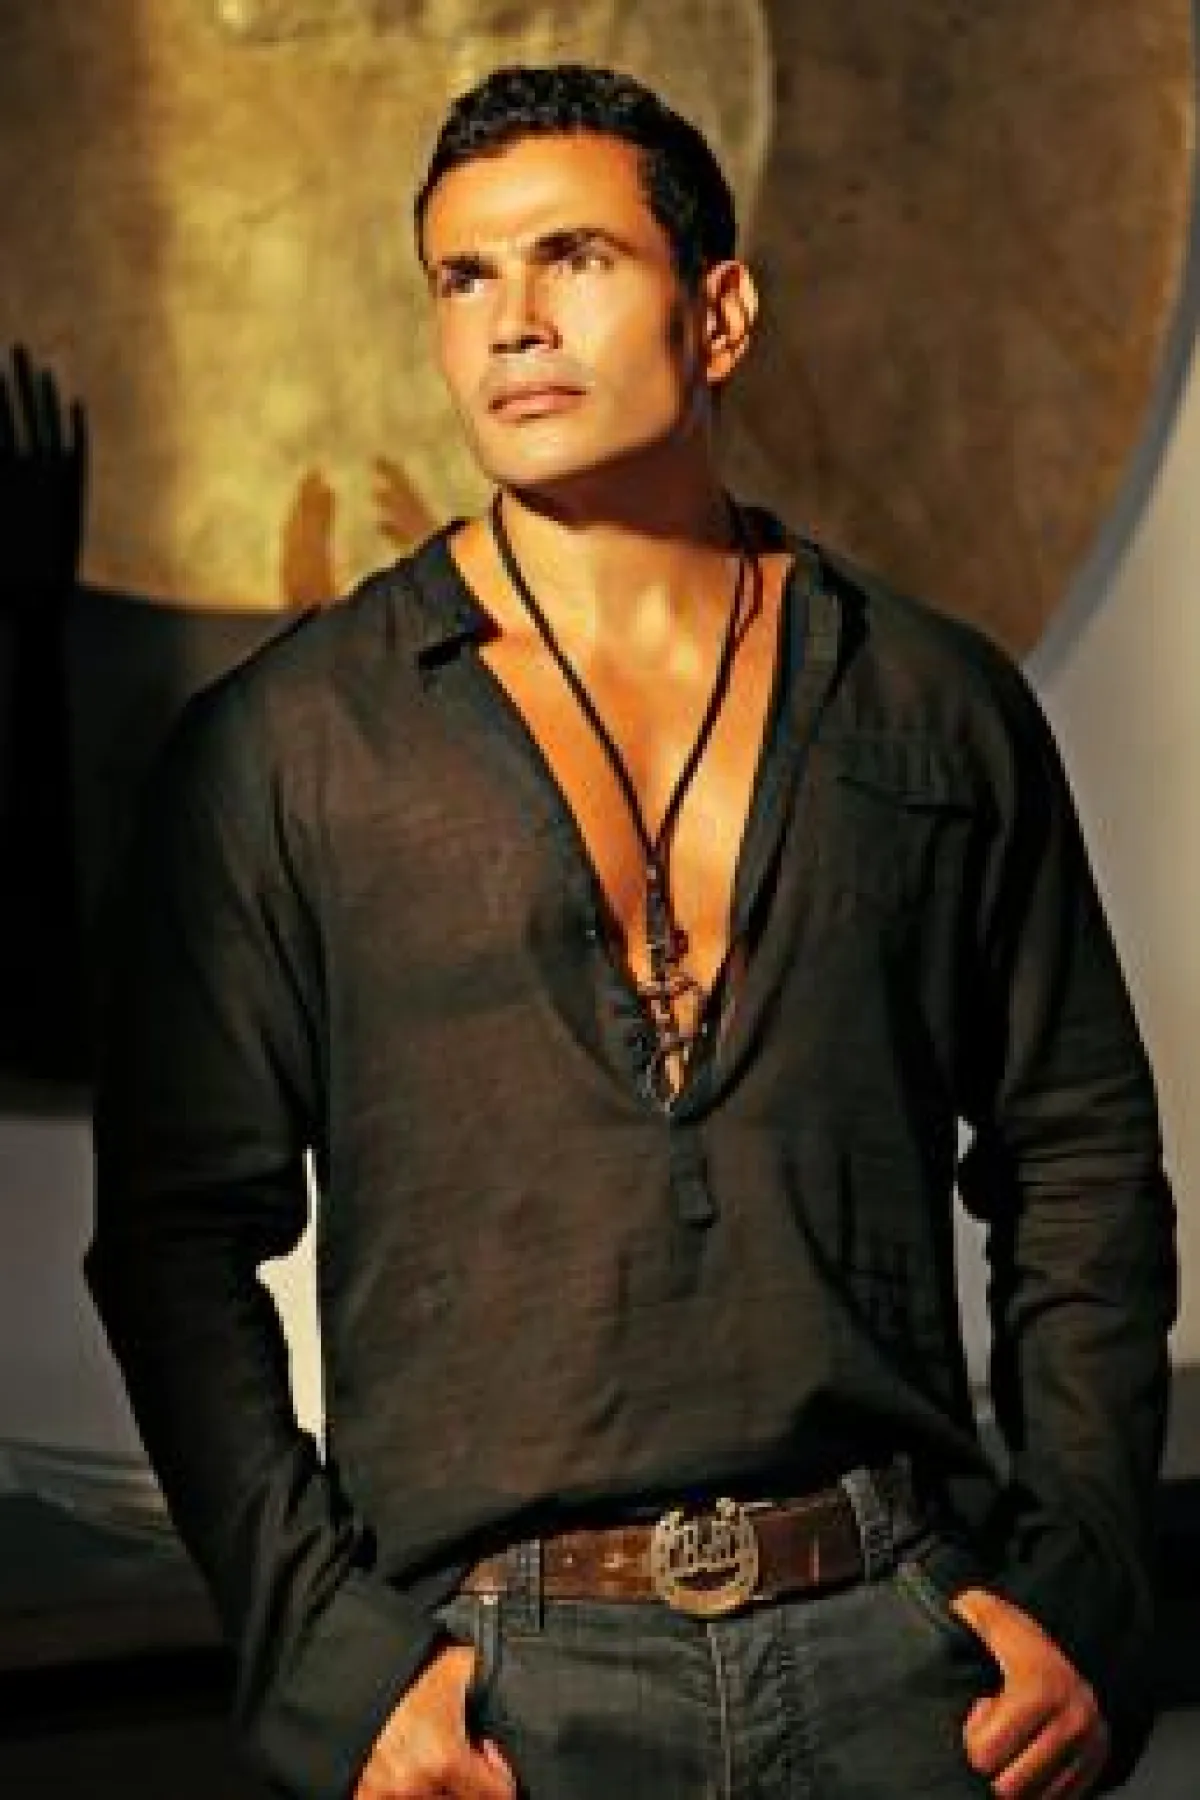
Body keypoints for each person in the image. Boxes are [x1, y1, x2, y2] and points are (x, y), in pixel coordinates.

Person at [86, 63, 1177, 1800]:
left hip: (901, 1654)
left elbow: (1081, 1161)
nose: (512, 320)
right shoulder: (292, 745)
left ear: (719, 311)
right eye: (464, 277)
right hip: (496, 1686)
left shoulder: (930, 702)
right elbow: (175, 1236)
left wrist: (1087, 1588)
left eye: (574, 257)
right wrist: (336, 1666)